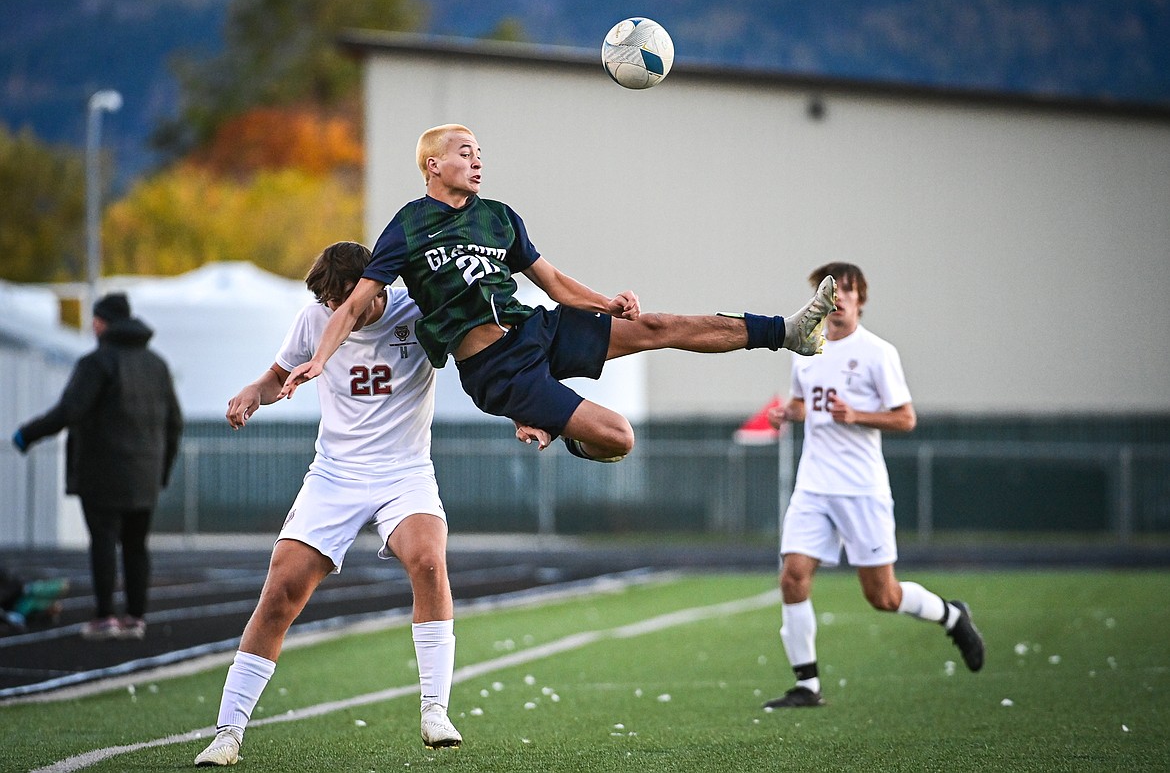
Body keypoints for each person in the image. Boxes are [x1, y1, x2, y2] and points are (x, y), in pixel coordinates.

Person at [279, 123, 837, 463]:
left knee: (657, 327)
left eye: (479, 153)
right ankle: (560, 429)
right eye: (466, 152)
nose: (477, 160)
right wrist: (317, 361)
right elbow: (354, 304)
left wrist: (605, 304)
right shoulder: (408, 225)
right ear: (434, 165)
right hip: (500, 371)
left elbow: (553, 282)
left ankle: (787, 333)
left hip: (535, 329)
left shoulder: (499, 218)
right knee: (620, 438)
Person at [195, 242, 461, 767]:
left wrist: (525, 411)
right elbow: (278, 376)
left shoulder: (418, 309)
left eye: (347, 298)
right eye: (331, 301)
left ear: (375, 286)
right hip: (334, 475)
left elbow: (479, 361)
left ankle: (435, 709)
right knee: (281, 590)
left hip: (404, 472)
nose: (339, 310)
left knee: (429, 561)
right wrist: (254, 391)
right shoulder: (315, 319)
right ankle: (228, 733)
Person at [762, 262, 984, 709]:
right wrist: (790, 413)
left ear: (861, 298)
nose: (838, 297)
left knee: (883, 596)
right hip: (814, 485)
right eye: (830, 290)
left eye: (847, 290)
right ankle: (807, 685)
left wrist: (857, 415)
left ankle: (951, 614)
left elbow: (906, 417)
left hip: (861, 488)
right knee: (793, 577)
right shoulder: (806, 347)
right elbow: (803, 402)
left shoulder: (878, 353)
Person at [12, 292, 182, 642]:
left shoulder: (97, 363)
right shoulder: (157, 365)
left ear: (101, 323)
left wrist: (27, 434)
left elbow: (69, 411)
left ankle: (105, 617)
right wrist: (161, 470)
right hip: (145, 475)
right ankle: (135, 618)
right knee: (136, 546)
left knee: (103, 542)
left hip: (102, 473)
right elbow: (175, 422)